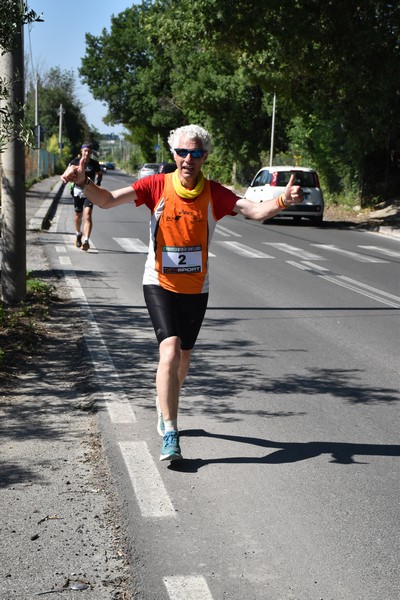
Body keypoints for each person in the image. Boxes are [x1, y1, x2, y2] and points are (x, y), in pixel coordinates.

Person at [61, 124, 304, 462]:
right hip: (158, 282)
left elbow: (254, 210)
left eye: (196, 153)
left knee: (184, 358)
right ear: (173, 154)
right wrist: (83, 182)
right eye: (183, 152)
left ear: (205, 157)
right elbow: (106, 201)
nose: (189, 159)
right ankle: (171, 431)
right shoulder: (156, 185)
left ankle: (166, 403)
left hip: (196, 288)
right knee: (170, 350)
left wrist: (282, 200)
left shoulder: (214, 193)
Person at [69, 143, 103, 251]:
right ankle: (78, 234)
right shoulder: (74, 162)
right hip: (77, 192)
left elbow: (100, 173)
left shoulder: (94, 163)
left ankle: (86, 241)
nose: (87, 153)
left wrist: (98, 184)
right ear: (81, 151)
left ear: (91, 153)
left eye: (89, 151)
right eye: (85, 151)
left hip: (89, 192)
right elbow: (68, 172)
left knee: (87, 215)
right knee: (78, 216)